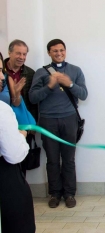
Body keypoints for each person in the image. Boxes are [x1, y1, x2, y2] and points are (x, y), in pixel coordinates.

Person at [29, 39, 88, 208]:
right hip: (47, 120)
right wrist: (50, 85)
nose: (59, 53)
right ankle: (55, 193)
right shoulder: (41, 72)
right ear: (49, 53)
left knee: (69, 159)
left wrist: (68, 83)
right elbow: (33, 98)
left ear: (65, 51)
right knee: (52, 159)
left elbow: (84, 94)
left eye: (61, 50)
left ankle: (69, 194)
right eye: (55, 51)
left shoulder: (75, 70)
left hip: (69, 119)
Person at [3, 40, 38, 176]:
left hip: (23, 123)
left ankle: (20, 191)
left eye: (24, 54)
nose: (21, 57)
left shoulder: (30, 73)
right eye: (18, 53)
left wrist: (33, 125)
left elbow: (32, 102)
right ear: (9, 52)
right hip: (5, 123)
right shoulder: (3, 71)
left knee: (21, 160)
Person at [0, 100, 35, 233]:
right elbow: (14, 154)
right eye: (2, 76)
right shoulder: (2, 110)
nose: (2, 77)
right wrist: (21, 136)